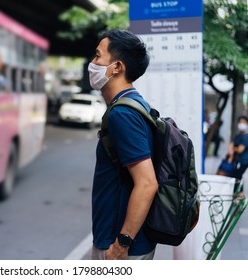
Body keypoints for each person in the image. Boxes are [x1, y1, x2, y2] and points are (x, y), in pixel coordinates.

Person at [90, 29, 158, 260]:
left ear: (117, 67)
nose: (93, 63)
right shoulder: (136, 104)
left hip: (119, 247)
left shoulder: (123, 115)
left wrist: (122, 244)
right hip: (124, 243)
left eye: (98, 56)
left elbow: (147, 183)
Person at [227, 115, 248, 180]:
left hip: (243, 163)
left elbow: (240, 150)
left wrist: (233, 149)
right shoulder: (238, 136)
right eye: (240, 122)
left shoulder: (247, 137)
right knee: (236, 180)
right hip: (236, 162)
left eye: (244, 122)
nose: (242, 124)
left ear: (247, 124)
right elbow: (230, 146)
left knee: (236, 179)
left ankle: (238, 190)